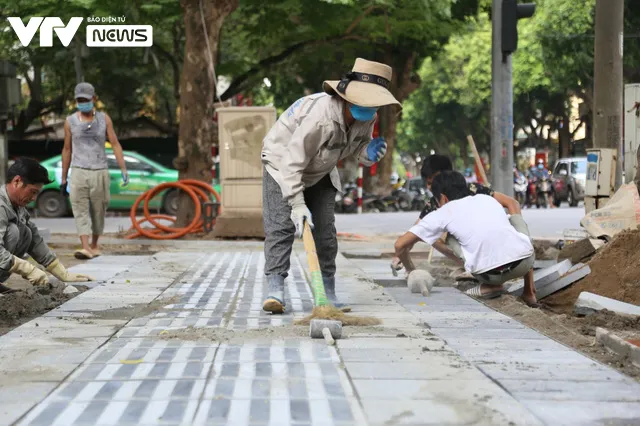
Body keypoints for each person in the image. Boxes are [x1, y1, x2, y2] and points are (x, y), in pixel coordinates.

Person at [261, 58, 400, 313]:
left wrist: (368, 154)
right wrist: (298, 203)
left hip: (322, 168)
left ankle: (327, 291)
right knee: (281, 227)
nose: (368, 106)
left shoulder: (368, 117)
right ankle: (275, 290)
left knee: (325, 234)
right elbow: (293, 162)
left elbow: (356, 149)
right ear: (347, 94)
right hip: (282, 165)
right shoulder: (320, 118)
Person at [393, 171, 538, 307]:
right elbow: (513, 205)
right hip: (525, 262)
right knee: (513, 222)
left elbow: (399, 245)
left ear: (443, 198)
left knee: (449, 236)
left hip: (489, 275)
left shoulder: (443, 212)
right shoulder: (486, 199)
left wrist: (411, 270)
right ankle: (529, 292)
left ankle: (490, 286)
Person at [0, 158, 94, 294]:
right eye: (32, 192)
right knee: (13, 231)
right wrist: (27, 269)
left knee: (26, 232)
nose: (34, 198)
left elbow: (35, 240)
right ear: (17, 182)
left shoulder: (17, 205)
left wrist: (61, 272)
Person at [61, 82, 129, 260]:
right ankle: (85, 247)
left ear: (94, 99)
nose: (83, 103)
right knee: (79, 208)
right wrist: (63, 178)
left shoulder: (104, 119)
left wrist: (123, 168)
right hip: (78, 170)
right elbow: (67, 149)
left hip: (99, 170)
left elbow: (114, 143)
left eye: (86, 99)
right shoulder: (70, 122)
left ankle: (94, 244)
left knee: (99, 209)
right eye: (80, 100)